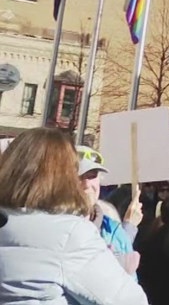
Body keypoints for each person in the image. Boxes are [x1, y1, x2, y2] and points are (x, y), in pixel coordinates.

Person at [0, 128, 148, 304]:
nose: (86, 184)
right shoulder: (70, 233)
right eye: (79, 173)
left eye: (93, 176)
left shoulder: (105, 224)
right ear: (65, 177)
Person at [77, 145, 142, 277]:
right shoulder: (54, 226)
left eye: (92, 176)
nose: (87, 184)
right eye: (79, 177)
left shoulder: (113, 229)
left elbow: (130, 284)